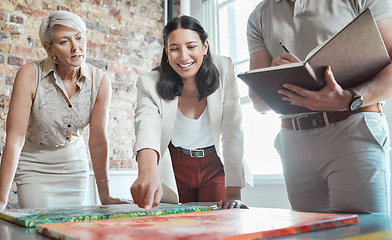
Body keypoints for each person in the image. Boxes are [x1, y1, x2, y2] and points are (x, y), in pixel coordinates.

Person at [247, 0, 392, 213]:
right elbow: (258, 102)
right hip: (293, 138)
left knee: (364, 234)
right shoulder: (259, 14)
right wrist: (274, 74)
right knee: (309, 233)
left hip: (352, 127)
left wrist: (349, 98)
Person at [0, 10, 129, 209]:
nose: (76, 48)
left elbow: (97, 141)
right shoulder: (29, 75)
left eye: (79, 38)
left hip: (73, 166)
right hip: (35, 165)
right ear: (49, 48)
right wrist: (1, 199)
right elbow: (15, 139)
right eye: (64, 42)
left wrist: (105, 196)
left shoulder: (100, 81)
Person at [131, 15, 252, 210]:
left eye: (191, 46)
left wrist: (234, 193)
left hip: (215, 166)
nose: (184, 56)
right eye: (174, 49)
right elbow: (146, 127)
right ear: (166, 52)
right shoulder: (149, 83)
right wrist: (147, 172)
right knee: (179, 229)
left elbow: (232, 129)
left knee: (220, 226)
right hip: (176, 166)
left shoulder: (224, 68)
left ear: (205, 47)